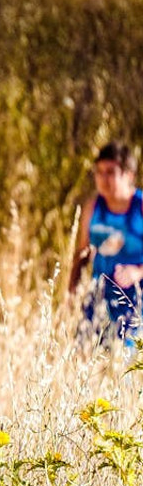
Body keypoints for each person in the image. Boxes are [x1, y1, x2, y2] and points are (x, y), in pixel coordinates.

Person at [68, 142, 143, 342]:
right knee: (84, 352)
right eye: (99, 171)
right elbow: (82, 253)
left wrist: (137, 272)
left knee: (123, 363)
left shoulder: (140, 207)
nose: (103, 178)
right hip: (99, 293)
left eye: (110, 172)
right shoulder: (93, 208)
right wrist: (72, 290)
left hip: (135, 299)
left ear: (129, 175)